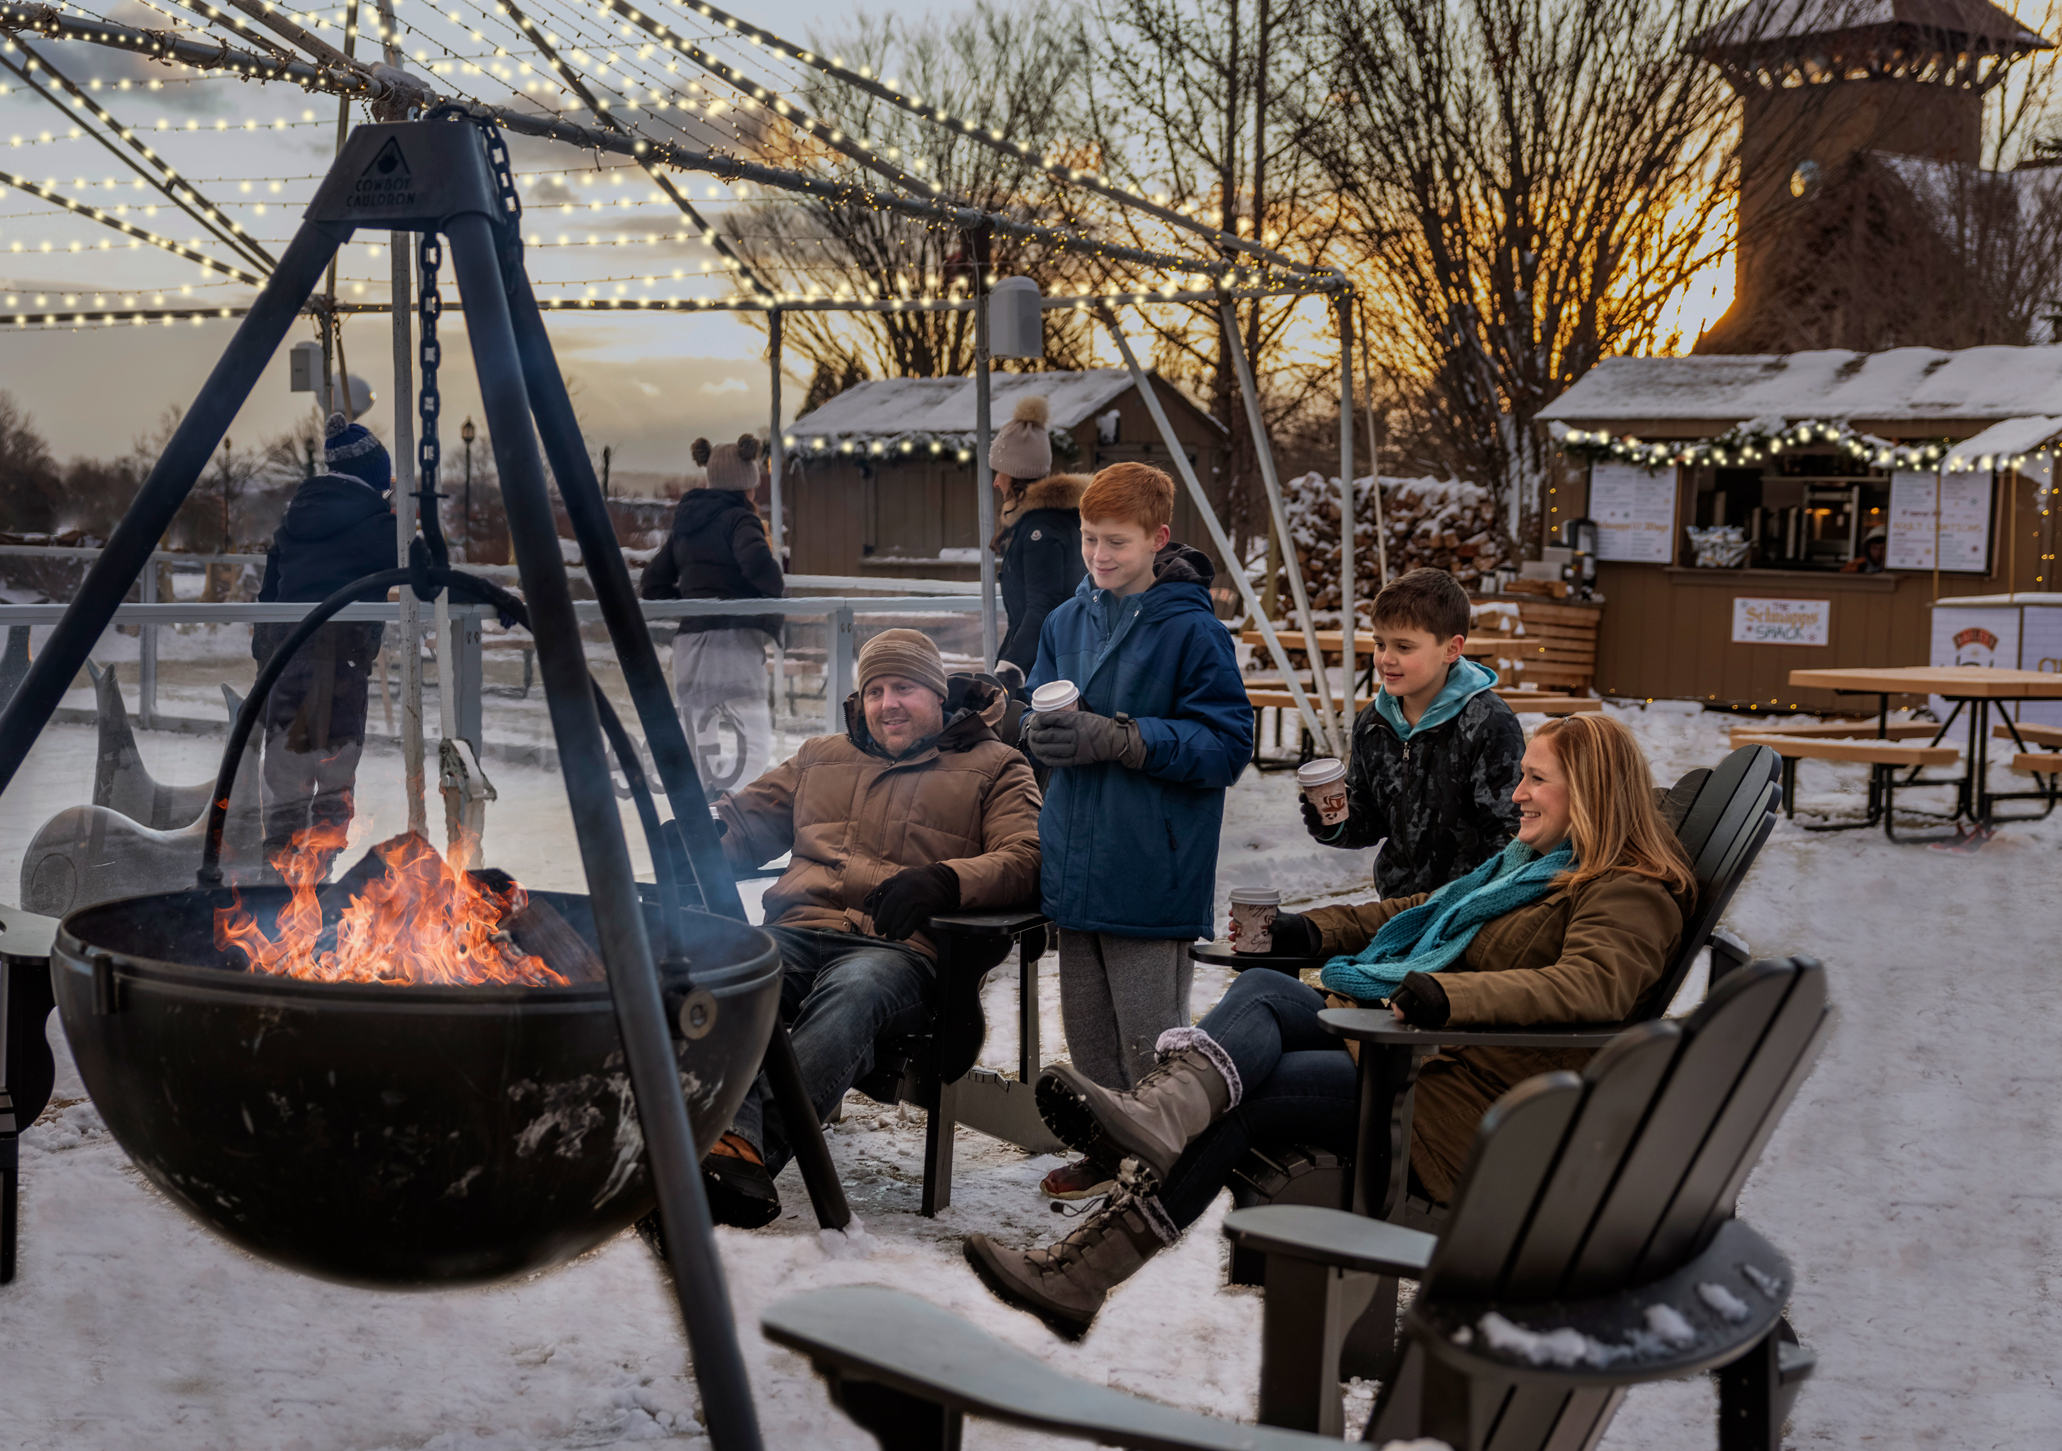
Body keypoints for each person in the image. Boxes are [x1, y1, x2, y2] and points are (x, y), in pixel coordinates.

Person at [968, 712, 1695, 1340]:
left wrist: (1448, 995)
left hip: (1471, 1103)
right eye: (1524, 776)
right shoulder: (1525, 868)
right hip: (1427, 1056)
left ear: (1592, 790)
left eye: (1536, 779)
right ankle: (1157, 1118)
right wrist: (1303, 932)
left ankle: (1088, 1264)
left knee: (1254, 1094)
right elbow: (1409, 911)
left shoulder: (1630, 889)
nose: (1517, 794)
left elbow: (1591, 988)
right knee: (1263, 984)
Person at [700, 628, 1041, 1227]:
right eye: (876, 689)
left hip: (898, 951)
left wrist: (946, 880)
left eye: (904, 688)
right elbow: (740, 826)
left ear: (937, 695)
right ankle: (729, 1147)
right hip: (799, 929)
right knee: (730, 977)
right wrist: (694, 837)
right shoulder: (820, 756)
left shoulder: (996, 766)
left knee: (853, 994)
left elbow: (1027, 857)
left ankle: (739, 1156)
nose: (888, 704)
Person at [1023, 462, 1255, 1199]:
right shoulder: (1065, 621)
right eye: (1090, 538)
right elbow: (1039, 699)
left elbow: (1227, 745)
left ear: (1158, 538)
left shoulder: (1194, 631)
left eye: (1116, 541)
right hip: (1075, 863)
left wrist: (1126, 739)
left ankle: (1166, 1174)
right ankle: (1104, 1152)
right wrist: (1038, 731)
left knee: (1150, 1039)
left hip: (1152, 866)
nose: (1098, 554)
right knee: (1089, 1036)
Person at [1305, 567, 1523, 898]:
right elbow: (1372, 813)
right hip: (1396, 905)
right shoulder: (1373, 722)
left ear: (1452, 649)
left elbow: (1509, 833)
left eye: (1404, 647)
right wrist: (1336, 822)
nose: (1385, 659)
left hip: (1465, 907)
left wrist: (1484, 905)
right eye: (1380, 643)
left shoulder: (1489, 723)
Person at [252, 412, 398, 874]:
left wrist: (265, 666)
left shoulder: (294, 520)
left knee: (287, 787)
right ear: (372, 480)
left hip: (287, 663)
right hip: (342, 667)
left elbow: (268, 599)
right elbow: (431, 564)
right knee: (333, 788)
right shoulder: (377, 528)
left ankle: (277, 891)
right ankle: (315, 888)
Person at [641, 435, 786, 795]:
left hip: (690, 644)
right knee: (753, 741)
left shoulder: (686, 524)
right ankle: (732, 811)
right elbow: (758, 566)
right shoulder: (740, 519)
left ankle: (702, 811)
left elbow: (651, 584)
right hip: (732, 644)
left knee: (697, 738)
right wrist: (767, 597)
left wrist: (693, 600)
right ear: (746, 480)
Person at [986, 396, 1086, 683]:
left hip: (1044, 672)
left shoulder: (1040, 532)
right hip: (1052, 661)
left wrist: (1010, 668)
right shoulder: (1054, 519)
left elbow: (1042, 609)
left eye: (1000, 471)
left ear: (1016, 474)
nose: (996, 482)